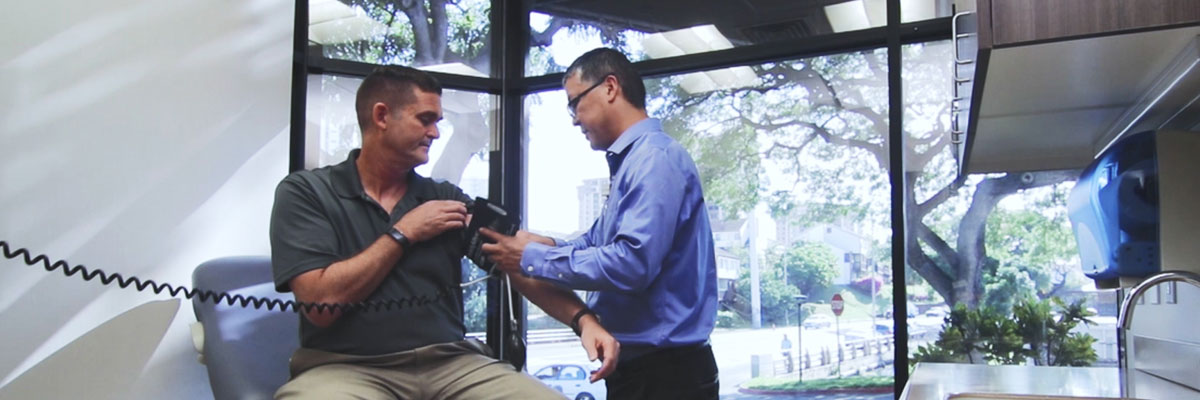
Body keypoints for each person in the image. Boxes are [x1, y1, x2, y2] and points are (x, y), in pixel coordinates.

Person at [269, 65, 618, 400]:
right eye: (425, 120)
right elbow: (320, 306)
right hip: (345, 369)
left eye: (438, 121)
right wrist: (403, 233)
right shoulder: (307, 193)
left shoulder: (445, 198)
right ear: (381, 116)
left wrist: (583, 319)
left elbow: (516, 263)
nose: (435, 132)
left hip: (452, 364)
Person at [480, 47, 719, 399]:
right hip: (641, 369)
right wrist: (543, 245)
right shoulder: (634, 162)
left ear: (610, 88)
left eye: (574, 102)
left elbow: (631, 264)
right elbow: (595, 242)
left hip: (666, 375)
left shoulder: (654, 160)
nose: (574, 119)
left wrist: (531, 259)